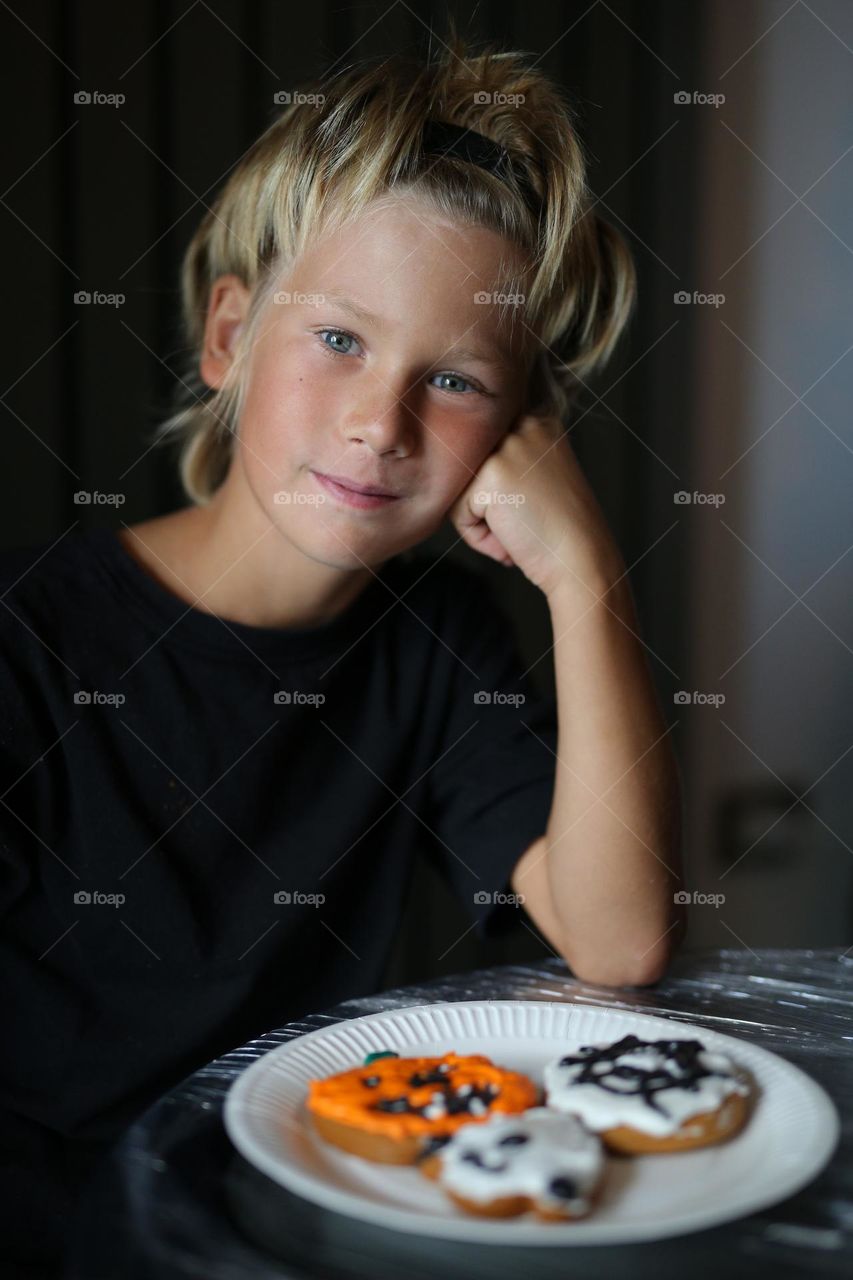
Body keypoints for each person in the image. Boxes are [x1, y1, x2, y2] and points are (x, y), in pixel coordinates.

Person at [0, 29, 686, 1278]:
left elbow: (619, 940)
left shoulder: (438, 643)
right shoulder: (29, 646)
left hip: (302, 1226)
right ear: (228, 340)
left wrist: (586, 574)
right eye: (338, 340)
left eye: (460, 379)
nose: (382, 423)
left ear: (518, 434)